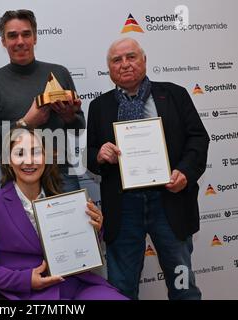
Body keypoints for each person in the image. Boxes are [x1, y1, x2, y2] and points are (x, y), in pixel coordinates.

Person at [87, 37, 210, 300]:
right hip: (124, 208)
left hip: (170, 202)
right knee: (122, 287)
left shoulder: (174, 94)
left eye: (131, 57)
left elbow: (198, 139)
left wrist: (185, 173)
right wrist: (99, 154)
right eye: (117, 60)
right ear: (109, 69)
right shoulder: (99, 106)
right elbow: (89, 154)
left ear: (144, 60)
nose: (125, 64)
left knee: (182, 284)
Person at [0, 128, 127, 300]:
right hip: (29, 294)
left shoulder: (63, 198)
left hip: (77, 286)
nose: (29, 161)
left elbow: (80, 247)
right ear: (9, 161)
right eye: (20, 153)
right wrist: (24, 280)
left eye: (36, 152)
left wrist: (95, 229)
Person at [0, 9, 85, 192]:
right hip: (16, 176)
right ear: (3, 41)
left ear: (35, 37)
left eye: (26, 34)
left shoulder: (59, 73)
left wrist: (69, 117)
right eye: (12, 36)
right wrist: (25, 123)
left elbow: (79, 129)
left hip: (61, 175)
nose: (20, 41)